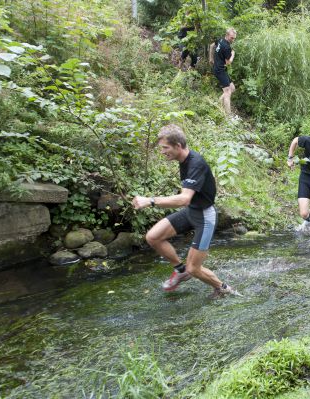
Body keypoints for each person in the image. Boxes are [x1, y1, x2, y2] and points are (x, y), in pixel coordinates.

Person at [132, 124, 237, 297]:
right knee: (153, 237)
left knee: (194, 268)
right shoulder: (184, 160)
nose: (162, 152)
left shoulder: (196, 163)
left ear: (178, 146)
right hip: (192, 212)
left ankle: (223, 288)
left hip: (204, 217)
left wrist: (150, 201)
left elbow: (184, 199)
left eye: (165, 148)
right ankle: (181, 271)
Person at [211, 28, 236, 114]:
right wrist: (233, 54)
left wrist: (211, 58)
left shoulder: (220, 40)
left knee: (232, 88)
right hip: (219, 70)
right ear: (227, 35)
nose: (233, 40)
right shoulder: (227, 47)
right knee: (227, 91)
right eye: (232, 38)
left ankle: (217, 104)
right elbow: (228, 62)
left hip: (220, 69)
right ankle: (228, 117)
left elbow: (211, 46)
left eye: (234, 38)